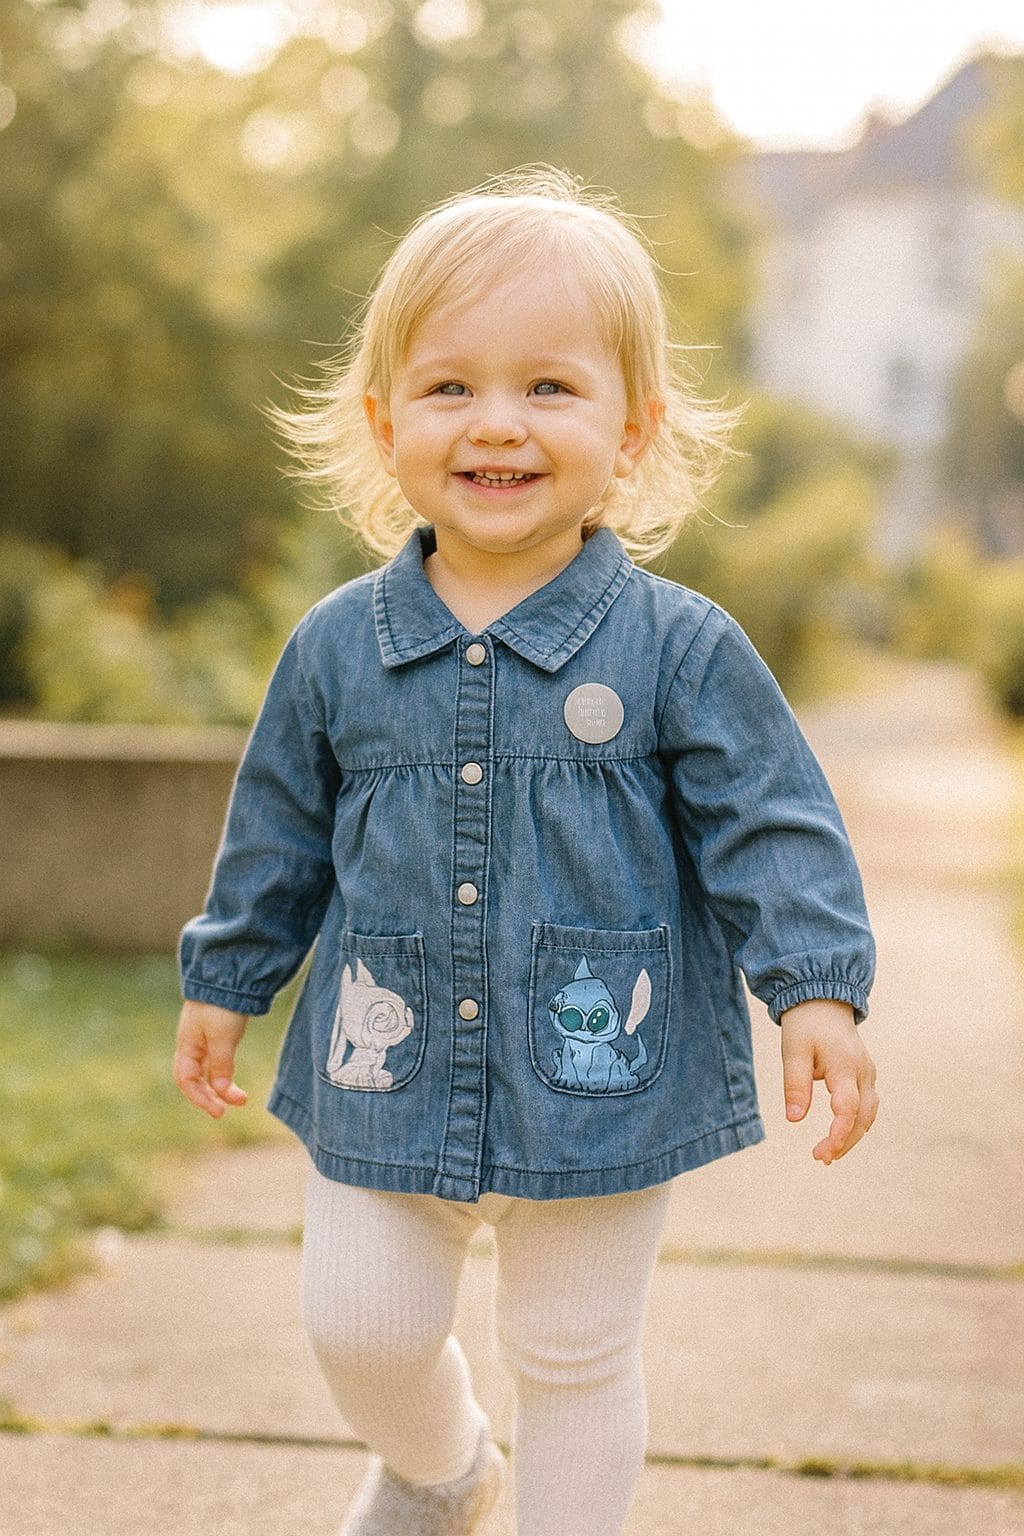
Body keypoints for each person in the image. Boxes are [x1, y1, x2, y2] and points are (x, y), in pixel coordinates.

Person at [174, 167, 877, 1536]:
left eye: (549, 387)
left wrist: (817, 990)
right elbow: (277, 829)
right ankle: (442, 1471)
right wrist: (229, 976)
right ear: (385, 421)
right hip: (383, 1065)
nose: (497, 421)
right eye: (450, 386)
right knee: (359, 1325)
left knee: (574, 1354)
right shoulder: (338, 648)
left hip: (602, 1074)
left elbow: (771, 820)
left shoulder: (678, 649)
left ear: (633, 428)